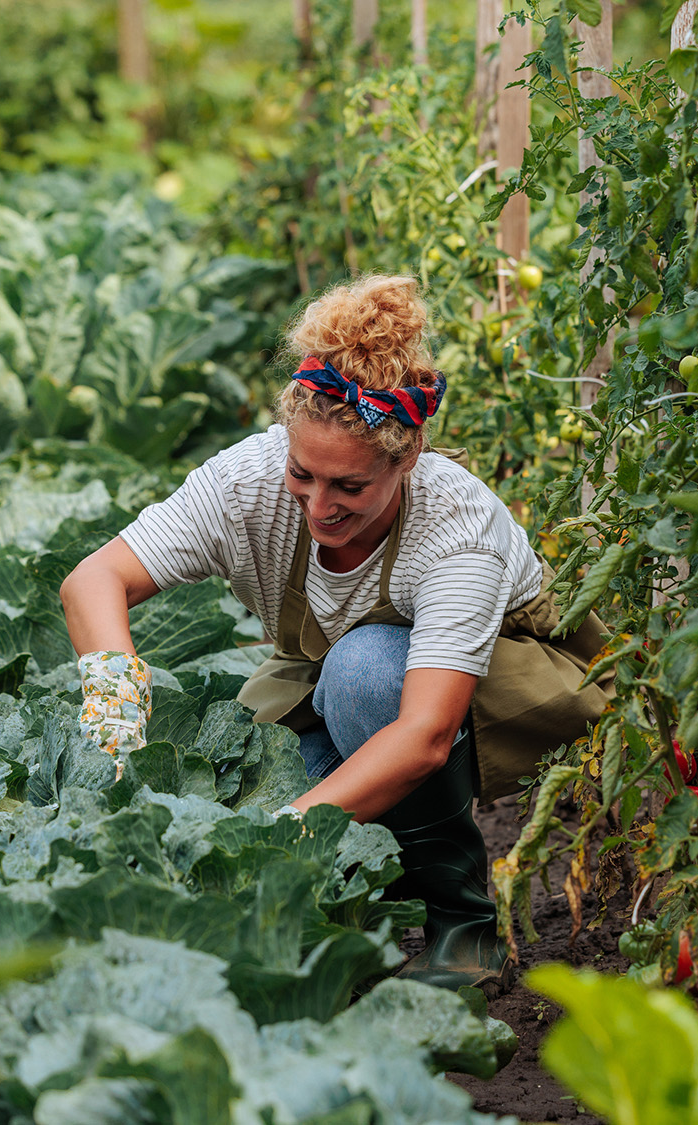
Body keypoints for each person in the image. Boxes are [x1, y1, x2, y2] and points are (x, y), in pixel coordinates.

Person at [60, 274, 607, 992]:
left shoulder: (455, 529)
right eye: (304, 474)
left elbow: (423, 735)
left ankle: (463, 923)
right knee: (262, 782)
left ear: (406, 459)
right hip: (325, 684)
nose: (319, 504)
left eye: (349, 487)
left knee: (365, 673)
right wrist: (116, 721)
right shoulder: (248, 482)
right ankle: (366, 916)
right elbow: (92, 581)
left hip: (491, 691)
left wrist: (285, 827)